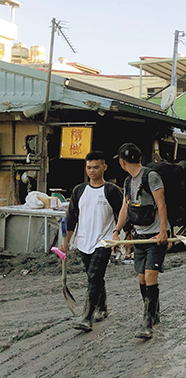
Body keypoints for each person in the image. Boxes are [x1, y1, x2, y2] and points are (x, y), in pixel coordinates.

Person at [62, 151, 123, 332]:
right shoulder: (79, 190)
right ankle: (102, 307)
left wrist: (120, 237)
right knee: (93, 276)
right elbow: (72, 217)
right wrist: (66, 242)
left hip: (103, 242)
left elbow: (122, 215)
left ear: (104, 167)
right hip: (83, 242)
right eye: (89, 167)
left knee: (94, 277)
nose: (92, 171)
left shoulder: (111, 191)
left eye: (96, 167)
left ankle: (87, 317)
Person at [112, 143, 168, 340]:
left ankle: (147, 322)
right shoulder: (128, 182)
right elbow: (124, 209)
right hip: (140, 236)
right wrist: (117, 230)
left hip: (155, 235)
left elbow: (161, 205)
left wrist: (162, 231)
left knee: (151, 277)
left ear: (122, 162)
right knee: (142, 278)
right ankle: (154, 310)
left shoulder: (151, 177)